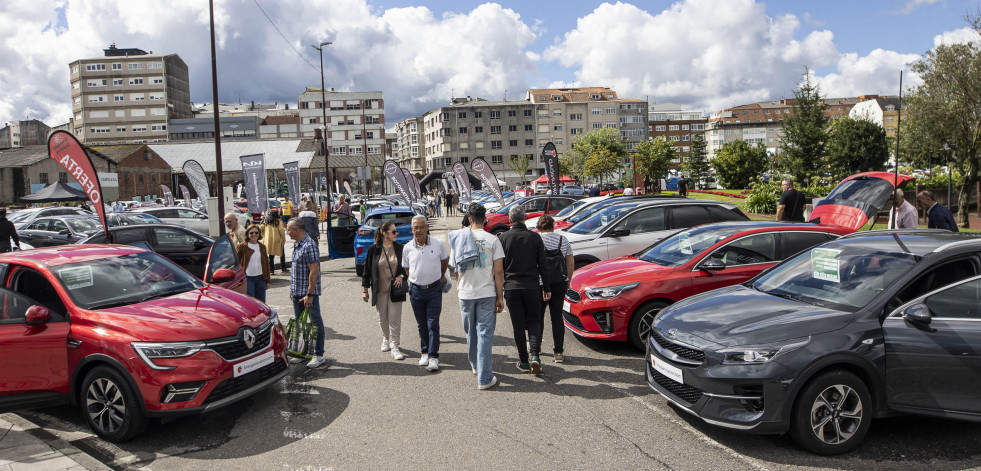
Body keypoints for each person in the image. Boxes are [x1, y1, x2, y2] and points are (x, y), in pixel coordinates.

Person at [451, 204, 505, 389]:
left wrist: (461, 286)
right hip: (486, 292)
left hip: (465, 292)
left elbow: (456, 270)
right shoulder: (493, 240)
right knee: (484, 334)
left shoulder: (459, 239)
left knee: (471, 332)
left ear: (469, 219)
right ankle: (484, 377)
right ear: (485, 219)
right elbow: (499, 272)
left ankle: (475, 365)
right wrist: (500, 296)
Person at [498, 205, 551, 375]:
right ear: (524, 217)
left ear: (510, 219)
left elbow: (500, 267)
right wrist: (547, 288)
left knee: (518, 326)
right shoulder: (535, 237)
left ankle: (523, 361)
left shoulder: (503, 238)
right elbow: (543, 265)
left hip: (512, 287)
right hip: (532, 286)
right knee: (534, 322)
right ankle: (535, 356)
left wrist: (498, 291)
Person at [401, 215, 449, 372]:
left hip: (434, 289)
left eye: (421, 227)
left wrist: (439, 276)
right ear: (412, 229)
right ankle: (424, 352)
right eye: (416, 227)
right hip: (416, 290)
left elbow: (444, 262)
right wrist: (415, 279)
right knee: (421, 323)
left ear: (427, 227)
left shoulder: (438, 244)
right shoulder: (407, 247)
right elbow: (407, 269)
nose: (419, 230)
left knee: (432, 323)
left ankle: (433, 356)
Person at [361, 221, 407, 361]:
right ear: (385, 234)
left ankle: (395, 346)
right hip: (379, 290)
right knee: (382, 319)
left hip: (396, 290)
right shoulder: (373, 249)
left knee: (394, 319)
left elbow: (407, 267)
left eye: (396, 231)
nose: (396, 234)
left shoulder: (400, 248)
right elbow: (367, 271)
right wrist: (365, 290)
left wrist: (401, 275)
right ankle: (386, 338)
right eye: (393, 232)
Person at [286, 218, 327, 368]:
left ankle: (318, 354)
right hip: (297, 291)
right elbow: (297, 270)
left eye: (289, 229)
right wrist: (292, 289)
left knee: (315, 323)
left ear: (296, 229)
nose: (287, 232)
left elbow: (313, 272)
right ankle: (302, 353)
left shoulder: (309, 245)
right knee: (300, 323)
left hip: (308, 293)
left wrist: (310, 294)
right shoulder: (297, 245)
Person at [537, 214, 574, 363]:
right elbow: (570, 262)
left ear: (539, 227)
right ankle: (558, 352)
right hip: (559, 282)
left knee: (538, 317)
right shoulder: (562, 240)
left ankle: (536, 347)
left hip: (541, 284)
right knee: (557, 317)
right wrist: (568, 280)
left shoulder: (537, 240)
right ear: (553, 226)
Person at [237, 223, 271, 302]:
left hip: (260, 278)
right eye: (251, 233)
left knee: (261, 302)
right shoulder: (242, 246)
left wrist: (268, 280)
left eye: (256, 233)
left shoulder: (262, 247)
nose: (254, 235)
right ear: (247, 234)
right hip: (248, 278)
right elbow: (237, 262)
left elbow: (266, 264)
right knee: (250, 301)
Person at [261, 210, 288, 274]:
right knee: (282, 254)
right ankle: (283, 268)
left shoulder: (267, 222)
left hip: (269, 241)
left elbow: (261, 229)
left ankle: (271, 270)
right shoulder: (279, 222)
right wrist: (283, 239)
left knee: (271, 256)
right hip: (278, 240)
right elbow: (281, 231)